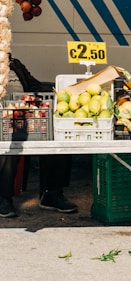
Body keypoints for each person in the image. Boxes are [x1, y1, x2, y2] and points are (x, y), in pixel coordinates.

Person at [0, 55, 77, 218]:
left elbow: (35, 86)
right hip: (4, 124)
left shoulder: (15, 64)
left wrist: (59, 93)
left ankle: (51, 194)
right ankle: (3, 199)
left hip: (25, 118)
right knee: (9, 146)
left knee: (55, 139)